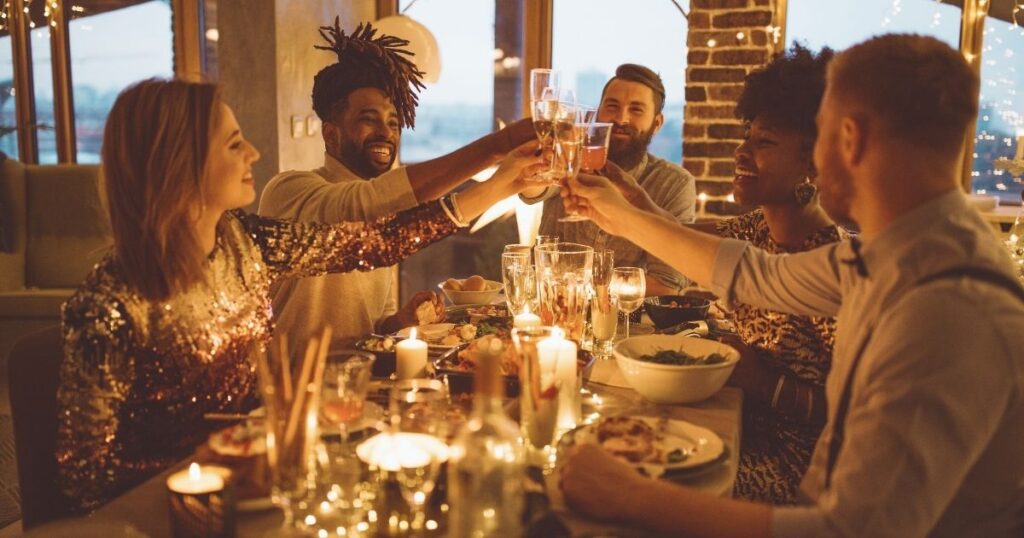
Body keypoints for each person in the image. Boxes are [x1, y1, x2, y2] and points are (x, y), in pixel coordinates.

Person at [560, 34, 1024, 537]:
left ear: (850, 138)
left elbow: (849, 531)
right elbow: (754, 273)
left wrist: (630, 496)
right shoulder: (901, 249)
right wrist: (622, 214)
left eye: (819, 133)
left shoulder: (948, 310)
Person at [56, 78, 539, 511]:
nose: (253, 154)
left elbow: (377, 242)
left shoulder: (242, 241)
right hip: (174, 508)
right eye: (233, 144)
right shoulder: (109, 304)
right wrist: (217, 464)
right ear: (180, 165)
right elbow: (84, 482)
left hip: (260, 477)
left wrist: (502, 185)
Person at [259, 21, 536, 345]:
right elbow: (362, 203)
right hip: (292, 390)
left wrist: (401, 320)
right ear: (330, 134)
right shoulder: (290, 190)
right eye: (368, 119)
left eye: (393, 122)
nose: (386, 133)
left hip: (361, 383)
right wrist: (497, 146)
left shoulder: (389, 217)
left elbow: (373, 329)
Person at [713, 45, 842, 503]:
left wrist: (764, 382)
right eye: (746, 134)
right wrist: (625, 200)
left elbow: (848, 413)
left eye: (764, 142)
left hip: (795, 472)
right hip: (740, 431)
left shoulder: (833, 265)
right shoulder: (756, 228)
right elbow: (683, 237)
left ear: (813, 161)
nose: (742, 151)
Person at [520, 63, 696, 296]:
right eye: (612, 106)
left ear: (657, 123)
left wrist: (579, 291)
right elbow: (532, 190)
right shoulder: (571, 159)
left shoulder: (674, 183)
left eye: (636, 110)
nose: (621, 119)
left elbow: (666, 284)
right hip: (548, 314)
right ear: (598, 113)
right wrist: (540, 160)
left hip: (626, 325)